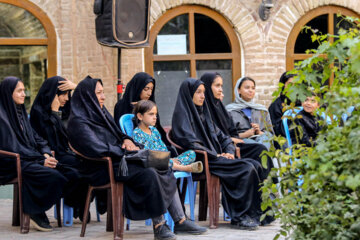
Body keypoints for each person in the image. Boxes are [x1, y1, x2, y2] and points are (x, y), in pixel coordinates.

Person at [67, 76, 206, 240]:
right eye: (99, 93)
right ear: (87, 95)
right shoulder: (78, 122)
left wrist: (127, 140)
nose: (103, 96)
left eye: (103, 92)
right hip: (103, 168)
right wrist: (123, 151)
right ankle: (160, 226)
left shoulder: (101, 113)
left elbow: (119, 135)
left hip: (121, 161)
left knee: (161, 166)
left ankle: (180, 220)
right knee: (152, 171)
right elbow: (95, 148)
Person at [171, 78, 267, 230]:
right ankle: (240, 217)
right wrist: (216, 155)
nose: (203, 96)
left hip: (215, 157)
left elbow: (223, 137)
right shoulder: (182, 117)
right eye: (198, 93)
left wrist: (228, 152)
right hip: (203, 160)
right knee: (246, 168)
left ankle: (255, 213)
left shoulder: (204, 114)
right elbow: (191, 144)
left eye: (203, 92)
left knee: (254, 164)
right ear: (189, 95)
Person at [0, 76, 70, 232]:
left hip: (26, 159)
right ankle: (34, 210)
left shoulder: (21, 114)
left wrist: (45, 154)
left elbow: (38, 139)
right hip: (9, 162)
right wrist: (40, 161)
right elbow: (11, 147)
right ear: (8, 93)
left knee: (65, 171)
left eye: (24, 90)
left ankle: (35, 208)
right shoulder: (2, 117)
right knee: (53, 176)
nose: (24, 94)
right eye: (19, 91)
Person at [29, 76, 88, 216]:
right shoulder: (38, 112)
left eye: (68, 94)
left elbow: (87, 106)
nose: (67, 98)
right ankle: (75, 204)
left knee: (90, 166)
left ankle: (79, 204)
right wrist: (55, 113)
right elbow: (52, 138)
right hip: (49, 154)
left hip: (66, 152)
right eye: (63, 94)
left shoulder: (66, 110)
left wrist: (76, 87)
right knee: (78, 171)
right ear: (52, 94)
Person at [201, 72, 273, 177]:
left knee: (261, 148)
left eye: (221, 86)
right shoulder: (208, 109)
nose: (221, 90)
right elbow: (213, 135)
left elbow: (229, 131)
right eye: (217, 86)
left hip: (230, 145)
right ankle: (267, 186)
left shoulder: (219, 107)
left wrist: (259, 132)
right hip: (222, 148)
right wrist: (234, 140)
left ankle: (267, 186)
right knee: (258, 152)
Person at [132, 100, 203, 173]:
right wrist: (166, 160)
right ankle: (185, 168)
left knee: (191, 153)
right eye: (151, 114)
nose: (155, 117)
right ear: (140, 116)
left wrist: (170, 159)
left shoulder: (154, 130)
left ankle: (174, 166)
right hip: (153, 163)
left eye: (155, 114)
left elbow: (163, 148)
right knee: (157, 161)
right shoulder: (137, 133)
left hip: (166, 161)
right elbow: (147, 155)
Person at [114, 72, 170, 145]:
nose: (149, 93)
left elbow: (157, 128)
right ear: (137, 88)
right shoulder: (121, 106)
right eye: (146, 89)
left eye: (151, 89)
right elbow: (119, 131)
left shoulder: (150, 105)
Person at [226, 77, 274, 150]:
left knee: (265, 140)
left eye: (253, 88)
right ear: (238, 90)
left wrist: (259, 132)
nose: (250, 90)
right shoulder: (230, 111)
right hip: (242, 141)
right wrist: (245, 134)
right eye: (247, 88)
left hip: (261, 140)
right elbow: (226, 136)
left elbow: (271, 133)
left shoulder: (262, 110)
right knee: (258, 147)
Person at [268, 72, 297, 137]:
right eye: (290, 84)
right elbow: (276, 130)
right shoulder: (276, 106)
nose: (293, 87)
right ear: (283, 85)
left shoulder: (304, 102)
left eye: (296, 85)